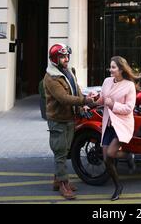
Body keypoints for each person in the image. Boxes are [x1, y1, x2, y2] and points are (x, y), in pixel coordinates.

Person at [43, 43, 94, 200]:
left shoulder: (68, 71)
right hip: (58, 120)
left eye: (67, 56)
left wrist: (83, 104)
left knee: (64, 151)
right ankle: (63, 185)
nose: (66, 59)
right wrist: (84, 100)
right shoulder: (51, 77)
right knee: (60, 151)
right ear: (54, 59)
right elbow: (63, 98)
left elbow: (75, 89)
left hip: (70, 118)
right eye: (62, 57)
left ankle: (57, 180)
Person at [90, 56, 141, 201]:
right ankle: (118, 186)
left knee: (111, 153)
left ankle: (128, 155)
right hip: (108, 124)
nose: (110, 70)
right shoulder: (107, 81)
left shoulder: (129, 85)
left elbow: (129, 108)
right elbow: (102, 99)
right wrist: (91, 101)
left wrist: (113, 105)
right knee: (106, 159)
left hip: (122, 124)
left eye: (113, 67)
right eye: (110, 67)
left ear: (121, 69)